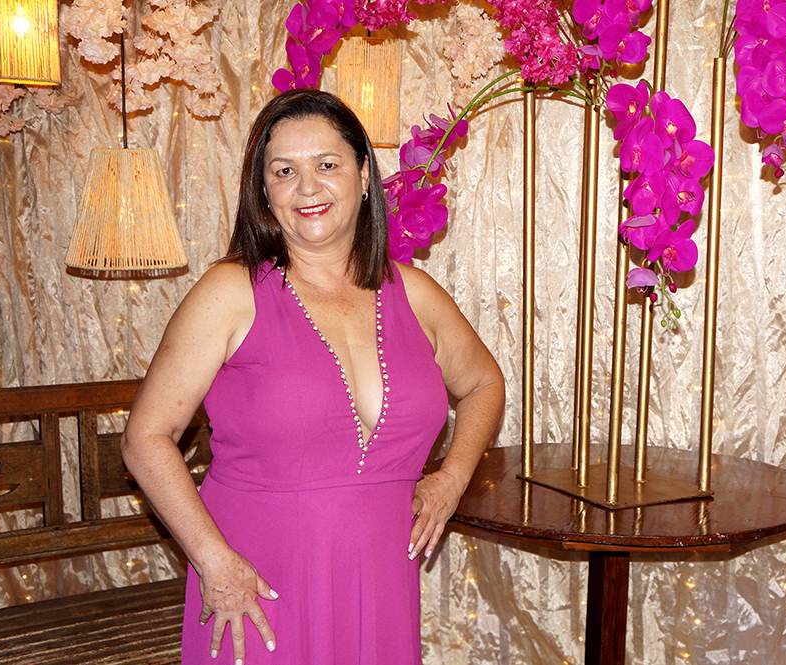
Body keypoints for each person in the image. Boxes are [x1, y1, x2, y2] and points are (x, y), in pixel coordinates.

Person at [120, 89, 505, 665]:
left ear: (364, 175)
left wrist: (452, 478)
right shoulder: (230, 293)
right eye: (284, 171)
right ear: (264, 193)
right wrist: (214, 562)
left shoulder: (416, 294)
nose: (307, 188)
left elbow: (484, 384)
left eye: (327, 164)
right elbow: (145, 438)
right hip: (254, 590)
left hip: (379, 587)